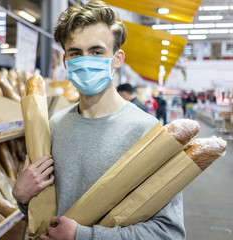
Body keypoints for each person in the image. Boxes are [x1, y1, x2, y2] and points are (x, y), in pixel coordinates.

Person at [12, 1, 185, 239]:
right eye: (75, 53)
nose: (85, 61)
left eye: (96, 52)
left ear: (117, 58)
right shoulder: (53, 126)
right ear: (66, 62)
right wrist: (22, 197)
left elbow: (168, 232)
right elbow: (44, 211)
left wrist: (82, 236)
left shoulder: (148, 132)